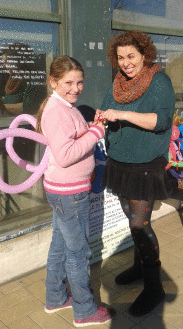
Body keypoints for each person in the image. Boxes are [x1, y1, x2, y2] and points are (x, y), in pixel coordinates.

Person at [99, 31, 175, 316]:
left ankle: (155, 288)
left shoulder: (159, 81)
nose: (126, 63)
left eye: (131, 56)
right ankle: (138, 267)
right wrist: (102, 114)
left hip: (145, 165)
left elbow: (161, 120)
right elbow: (110, 108)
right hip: (120, 162)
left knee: (140, 225)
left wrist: (122, 115)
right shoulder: (118, 83)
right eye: (120, 58)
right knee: (132, 222)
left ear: (145, 54)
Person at [35, 56, 115, 327]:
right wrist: (96, 134)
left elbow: (72, 140)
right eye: (68, 82)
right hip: (70, 193)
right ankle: (84, 310)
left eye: (80, 82)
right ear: (53, 82)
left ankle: (55, 297)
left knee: (60, 245)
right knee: (77, 252)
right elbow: (67, 154)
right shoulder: (57, 111)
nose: (76, 88)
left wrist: (91, 126)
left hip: (64, 190)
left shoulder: (64, 107)